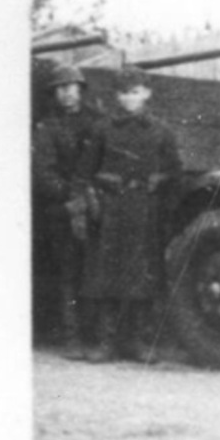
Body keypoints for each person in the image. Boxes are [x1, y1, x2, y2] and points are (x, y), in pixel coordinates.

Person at [82, 66, 182, 364]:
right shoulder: (103, 129)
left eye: (135, 92)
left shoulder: (161, 131)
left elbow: (175, 171)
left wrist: (159, 182)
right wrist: (93, 198)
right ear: (116, 96)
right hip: (111, 208)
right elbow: (85, 170)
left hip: (144, 209)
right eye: (124, 93)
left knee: (140, 275)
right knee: (107, 273)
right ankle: (106, 342)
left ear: (147, 94)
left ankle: (136, 342)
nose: (130, 99)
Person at [31, 63, 102, 359]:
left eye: (72, 87)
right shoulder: (47, 128)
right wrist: (69, 196)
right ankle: (72, 339)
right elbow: (44, 172)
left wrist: (92, 195)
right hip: (62, 210)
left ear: (81, 90)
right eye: (60, 89)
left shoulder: (98, 123)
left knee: (96, 272)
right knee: (68, 275)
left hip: (95, 205)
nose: (67, 94)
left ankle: (96, 338)